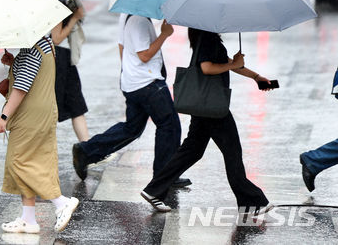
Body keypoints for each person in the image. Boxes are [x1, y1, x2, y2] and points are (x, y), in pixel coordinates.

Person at [140, 28, 274, 216]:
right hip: (212, 107)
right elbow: (207, 67)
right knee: (232, 153)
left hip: (204, 105)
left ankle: (153, 190)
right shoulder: (208, 38)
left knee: (192, 151)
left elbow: (226, 63)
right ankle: (252, 202)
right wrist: (232, 64)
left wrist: (256, 77)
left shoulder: (205, 37)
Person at [72, 14, 188, 187]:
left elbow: (122, 45)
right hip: (148, 84)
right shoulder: (139, 20)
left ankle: (87, 150)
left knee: (131, 129)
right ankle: (164, 176)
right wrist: (164, 34)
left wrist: (128, 71)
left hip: (134, 81)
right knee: (169, 126)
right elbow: (144, 55)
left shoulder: (127, 16)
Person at [0, 35, 79, 234]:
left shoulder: (33, 48)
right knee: (33, 160)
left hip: (30, 115)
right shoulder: (44, 43)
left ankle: (60, 202)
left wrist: (4, 116)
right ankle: (28, 218)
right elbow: (34, 73)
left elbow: (21, 88)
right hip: (42, 112)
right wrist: (14, 61)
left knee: (18, 161)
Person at [52, 0, 89, 142]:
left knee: (77, 105)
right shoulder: (54, 6)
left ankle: (86, 148)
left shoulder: (62, 3)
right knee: (53, 108)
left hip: (65, 60)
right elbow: (56, 38)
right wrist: (74, 18)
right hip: (57, 60)